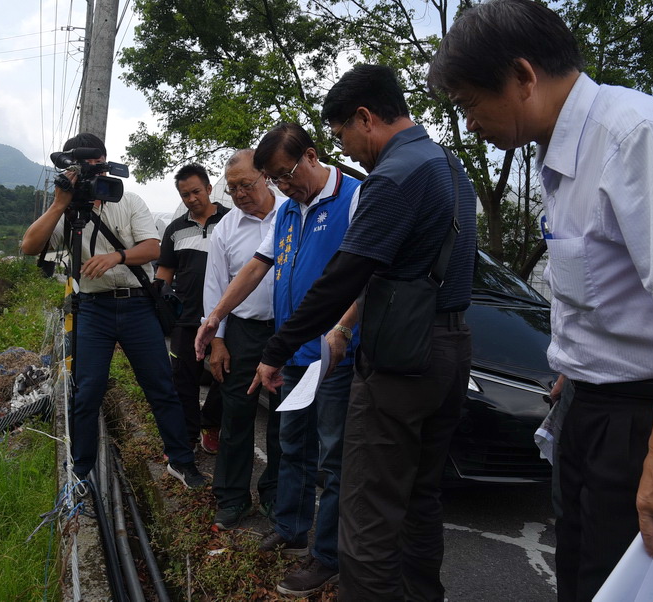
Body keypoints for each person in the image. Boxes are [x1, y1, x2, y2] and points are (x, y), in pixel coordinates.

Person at [427, 1, 653, 599]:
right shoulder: (557, 152)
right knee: (578, 573)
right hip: (584, 402)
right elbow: (604, 286)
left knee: (623, 583)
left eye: (471, 104)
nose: (469, 124)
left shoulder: (636, 136)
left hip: (644, 417)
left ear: (524, 76)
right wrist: (573, 365)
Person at [251, 65, 477, 600]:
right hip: (450, 347)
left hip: (402, 358)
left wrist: (278, 348)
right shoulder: (449, 164)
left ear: (365, 117)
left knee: (368, 508)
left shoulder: (393, 176)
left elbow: (345, 277)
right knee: (420, 498)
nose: (346, 151)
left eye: (341, 137)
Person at [195, 123, 361, 597]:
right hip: (291, 352)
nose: (283, 187)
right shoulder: (290, 210)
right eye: (276, 179)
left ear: (311, 156)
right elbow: (256, 266)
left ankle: (326, 556)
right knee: (291, 444)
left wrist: (343, 327)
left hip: (333, 356)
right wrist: (217, 316)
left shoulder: (354, 197)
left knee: (332, 460)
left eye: (286, 176)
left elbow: (370, 270)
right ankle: (289, 529)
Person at [20, 133, 207, 489]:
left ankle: (181, 461)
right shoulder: (68, 208)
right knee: (88, 391)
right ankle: (82, 469)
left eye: (95, 166)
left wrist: (116, 257)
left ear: (105, 164)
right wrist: (60, 203)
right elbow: (29, 245)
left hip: (137, 305)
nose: (91, 175)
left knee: (160, 386)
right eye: (82, 169)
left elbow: (152, 248)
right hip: (92, 309)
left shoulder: (129, 200)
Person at [203, 149, 286, 530]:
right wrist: (217, 340)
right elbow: (215, 287)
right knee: (237, 415)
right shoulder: (226, 229)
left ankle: (275, 495)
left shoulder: (291, 212)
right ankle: (233, 498)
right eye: (232, 188)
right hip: (242, 331)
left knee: (286, 418)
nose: (238, 194)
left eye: (246, 184)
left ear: (266, 177)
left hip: (287, 332)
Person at [156, 164, 227, 454]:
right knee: (184, 378)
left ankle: (210, 424)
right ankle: (187, 435)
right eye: (185, 194)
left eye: (196, 191)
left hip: (225, 316)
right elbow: (165, 271)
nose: (191, 198)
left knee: (226, 374)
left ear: (209, 189)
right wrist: (160, 298)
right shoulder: (175, 229)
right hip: (186, 318)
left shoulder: (232, 220)